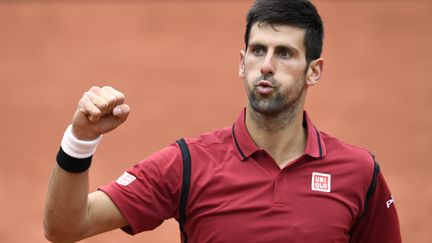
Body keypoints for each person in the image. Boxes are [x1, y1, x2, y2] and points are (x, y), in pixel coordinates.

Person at [43, 0, 402, 242]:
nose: (266, 65)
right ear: (242, 62)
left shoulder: (357, 172)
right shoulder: (189, 163)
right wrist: (81, 139)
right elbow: (65, 227)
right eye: (258, 50)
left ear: (314, 71)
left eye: (285, 53)